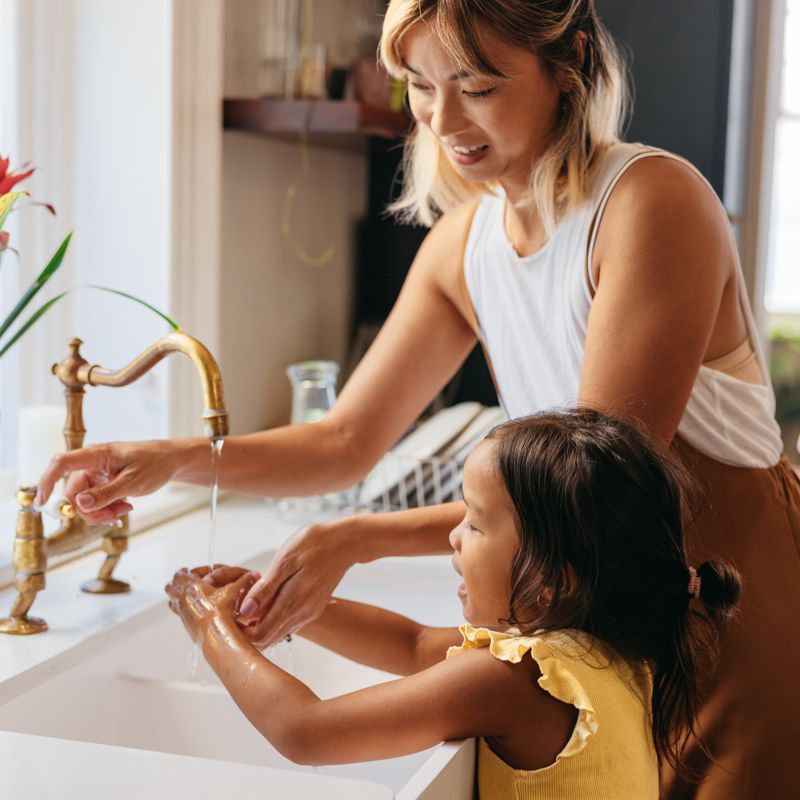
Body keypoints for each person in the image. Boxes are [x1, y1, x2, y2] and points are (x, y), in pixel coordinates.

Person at [36, 1, 800, 795]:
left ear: (567, 60)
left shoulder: (649, 202)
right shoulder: (463, 247)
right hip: (590, 630)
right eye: (420, 86)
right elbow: (343, 442)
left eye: (475, 85)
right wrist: (172, 460)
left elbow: (586, 497)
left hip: (729, 611)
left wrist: (358, 536)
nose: (443, 119)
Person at [166, 410, 741, 799]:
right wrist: (294, 604)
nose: (453, 536)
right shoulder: (605, 651)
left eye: (475, 521)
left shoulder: (516, 680)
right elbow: (412, 645)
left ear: (554, 581)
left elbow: (304, 731)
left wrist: (213, 629)